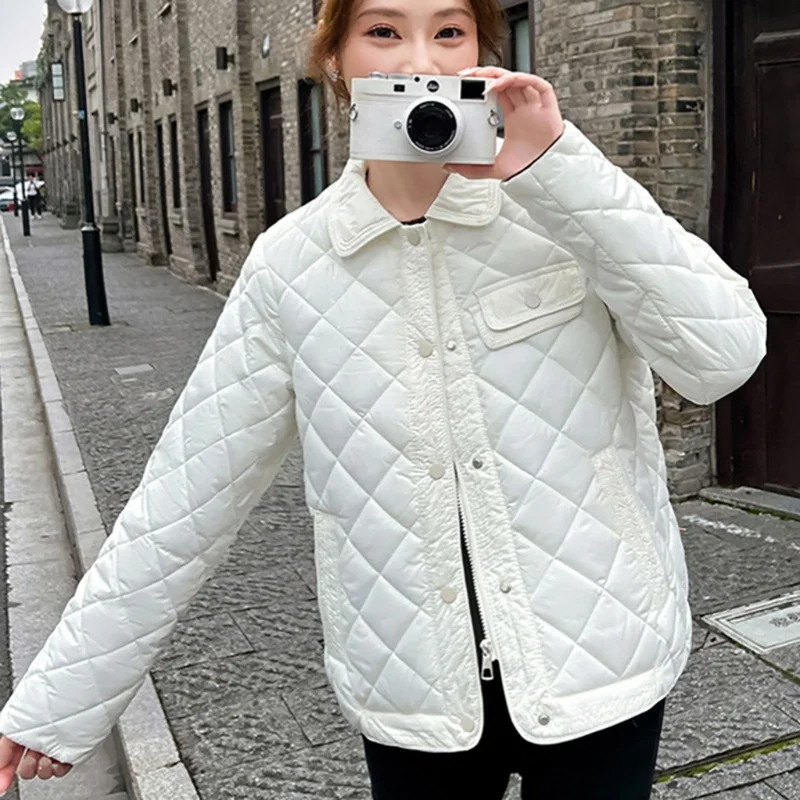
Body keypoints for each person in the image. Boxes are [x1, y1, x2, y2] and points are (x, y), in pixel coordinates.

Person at [0, 0, 767, 797]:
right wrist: (63, 698)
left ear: (480, 52)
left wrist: (559, 170)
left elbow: (723, 358)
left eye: (449, 32)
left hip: (602, 662)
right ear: (334, 59)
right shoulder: (292, 264)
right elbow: (186, 493)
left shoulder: (560, 208)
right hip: (412, 692)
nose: (419, 61)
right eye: (383, 32)